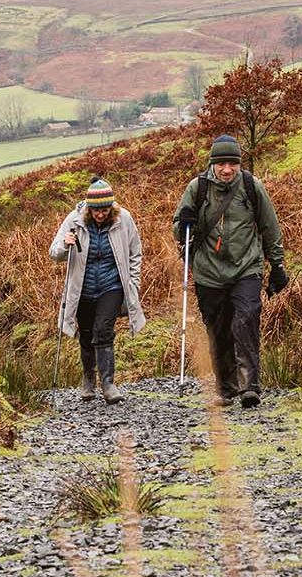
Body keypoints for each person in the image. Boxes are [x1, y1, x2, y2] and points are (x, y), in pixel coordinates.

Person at [172, 134, 288, 408]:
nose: (227, 169)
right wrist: (185, 223)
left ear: (239, 164)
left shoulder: (251, 186)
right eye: (221, 164)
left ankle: (249, 387)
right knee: (218, 329)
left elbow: (270, 227)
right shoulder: (198, 188)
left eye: (232, 164)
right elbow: (179, 229)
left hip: (246, 267)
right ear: (212, 164)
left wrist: (277, 265)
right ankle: (226, 387)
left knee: (246, 319)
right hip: (209, 272)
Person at [50, 177, 146, 404]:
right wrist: (65, 244)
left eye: (105, 210)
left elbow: (135, 252)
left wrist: (133, 283)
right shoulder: (74, 220)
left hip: (111, 286)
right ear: (89, 208)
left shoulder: (124, 219)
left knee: (103, 330)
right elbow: (54, 253)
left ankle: (108, 384)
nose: (100, 215)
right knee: (86, 333)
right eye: (96, 210)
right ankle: (88, 380)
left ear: (111, 207)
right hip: (82, 288)